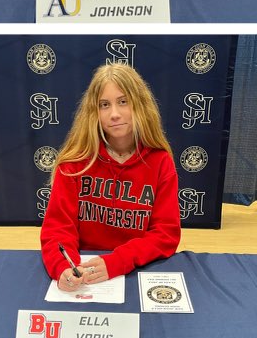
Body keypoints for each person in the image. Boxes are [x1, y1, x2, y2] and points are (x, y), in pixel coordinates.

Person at [41, 64, 180, 289]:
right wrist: (63, 268)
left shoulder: (160, 161)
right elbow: (58, 229)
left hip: (138, 269)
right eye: (104, 105)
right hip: (85, 271)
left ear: (140, 105)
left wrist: (119, 261)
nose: (114, 114)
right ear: (93, 112)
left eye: (123, 102)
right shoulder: (74, 162)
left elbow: (165, 234)